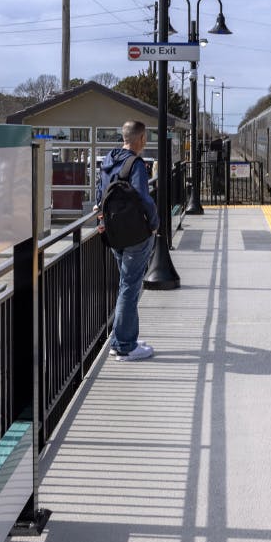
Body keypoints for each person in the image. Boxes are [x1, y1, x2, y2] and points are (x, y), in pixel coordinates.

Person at [96, 120, 160, 361]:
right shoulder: (137, 165)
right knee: (129, 287)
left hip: (113, 233)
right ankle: (124, 345)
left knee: (126, 283)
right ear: (141, 139)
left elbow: (99, 193)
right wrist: (154, 224)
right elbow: (144, 199)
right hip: (135, 234)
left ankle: (123, 338)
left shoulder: (108, 160)